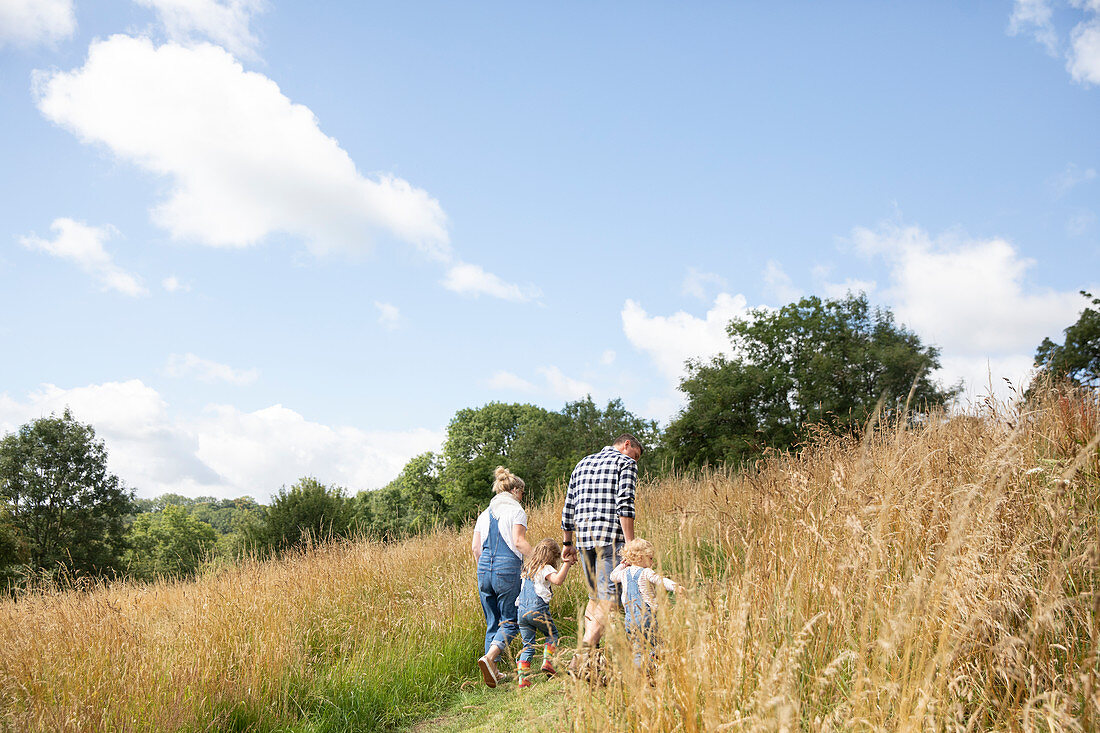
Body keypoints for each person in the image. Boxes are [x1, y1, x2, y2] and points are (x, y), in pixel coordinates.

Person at [560, 433, 642, 648]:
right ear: (626, 445)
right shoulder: (625, 463)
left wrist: (567, 543)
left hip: (584, 541)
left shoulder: (582, 463)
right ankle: (582, 656)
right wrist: (631, 546)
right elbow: (625, 505)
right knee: (610, 601)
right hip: (611, 539)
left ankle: (591, 664)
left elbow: (569, 506)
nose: (635, 460)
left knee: (594, 598)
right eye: (636, 455)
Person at [471, 466, 533, 688]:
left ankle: (493, 670)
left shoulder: (484, 514)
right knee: (510, 620)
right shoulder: (516, 511)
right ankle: (489, 659)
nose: (522, 497)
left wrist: (485, 569)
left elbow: (476, 548)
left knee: (492, 621)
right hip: (506, 569)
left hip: (484, 569)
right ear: (516, 491)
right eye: (522, 493)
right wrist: (539, 558)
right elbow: (518, 542)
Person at [610, 538, 681, 666]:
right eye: (650, 558)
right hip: (646, 616)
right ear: (640, 557)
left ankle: (639, 673)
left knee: (637, 648)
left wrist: (623, 564)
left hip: (629, 618)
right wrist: (675, 587)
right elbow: (660, 580)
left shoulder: (624, 573)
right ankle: (653, 664)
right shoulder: (646, 572)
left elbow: (612, 576)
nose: (652, 562)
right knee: (658, 645)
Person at [515, 539, 575, 688]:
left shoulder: (527, 568)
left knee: (527, 645)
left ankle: (523, 680)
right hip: (537, 609)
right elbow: (558, 580)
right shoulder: (545, 568)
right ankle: (548, 663)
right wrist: (566, 564)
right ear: (552, 557)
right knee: (552, 635)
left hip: (521, 612)